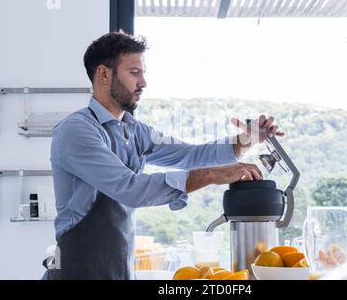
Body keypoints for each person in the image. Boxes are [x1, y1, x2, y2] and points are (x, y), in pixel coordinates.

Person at [42, 31, 284, 280]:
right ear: (104, 74)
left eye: (143, 73)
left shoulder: (135, 131)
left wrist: (248, 140)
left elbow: (189, 155)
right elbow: (130, 189)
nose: (144, 82)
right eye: (134, 73)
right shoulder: (76, 131)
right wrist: (212, 175)